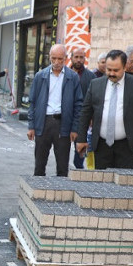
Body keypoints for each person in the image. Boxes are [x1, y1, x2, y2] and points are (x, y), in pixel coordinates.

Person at [76, 50, 133, 170]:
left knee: (125, 183)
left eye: (116, 70)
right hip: (101, 145)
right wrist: (81, 139)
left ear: (125, 66)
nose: (111, 73)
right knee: (102, 184)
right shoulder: (96, 84)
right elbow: (86, 112)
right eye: (108, 69)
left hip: (128, 146)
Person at [27, 44, 84, 177]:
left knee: (63, 166)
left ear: (65, 58)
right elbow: (32, 102)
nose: (57, 62)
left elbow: (78, 104)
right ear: (49, 58)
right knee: (39, 164)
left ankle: (61, 193)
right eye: (54, 58)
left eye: (60, 59)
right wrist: (31, 126)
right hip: (43, 122)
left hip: (63, 124)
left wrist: (75, 128)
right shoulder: (40, 76)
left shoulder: (72, 77)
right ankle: (39, 191)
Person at [68, 47, 95, 169]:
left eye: (81, 57)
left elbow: (94, 99)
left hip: (82, 119)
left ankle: (79, 170)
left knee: (80, 150)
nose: (79, 60)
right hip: (66, 117)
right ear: (71, 57)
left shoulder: (91, 77)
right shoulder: (64, 74)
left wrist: (91, 117)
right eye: (76, 57)